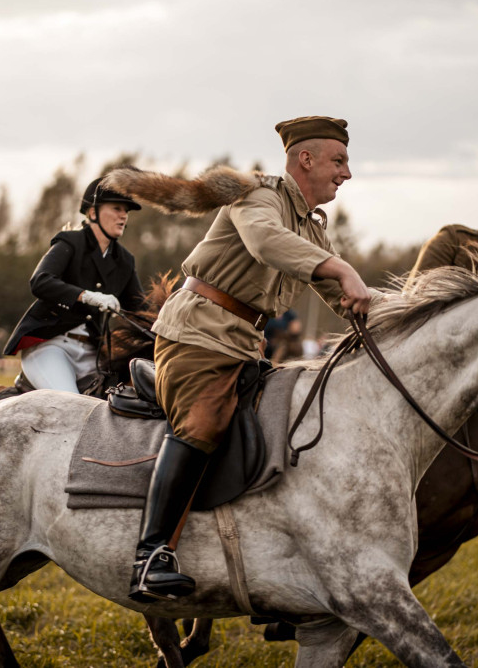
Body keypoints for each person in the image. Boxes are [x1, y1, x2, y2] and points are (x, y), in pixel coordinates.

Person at [128, 116, 373, 602]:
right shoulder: (258, 195)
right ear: (306, 159)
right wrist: (341, 267)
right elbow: (267, 242)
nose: (346, 174)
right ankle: (151, 555)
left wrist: (391, 321)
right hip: (197, 335)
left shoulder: (308, 224)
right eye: (338, 161)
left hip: (243, 345)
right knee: (204, 424)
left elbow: (335, 291)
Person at [3, 176, 145, 393]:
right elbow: (40, 281)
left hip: (91, 353)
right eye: (117, 208)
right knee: (72, 404)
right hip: (52, 346)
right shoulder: (70, 242)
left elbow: (140, 310)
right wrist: (86, 296)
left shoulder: (125, 260)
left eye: (126, 211)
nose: (124, 215)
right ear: (92, 212)